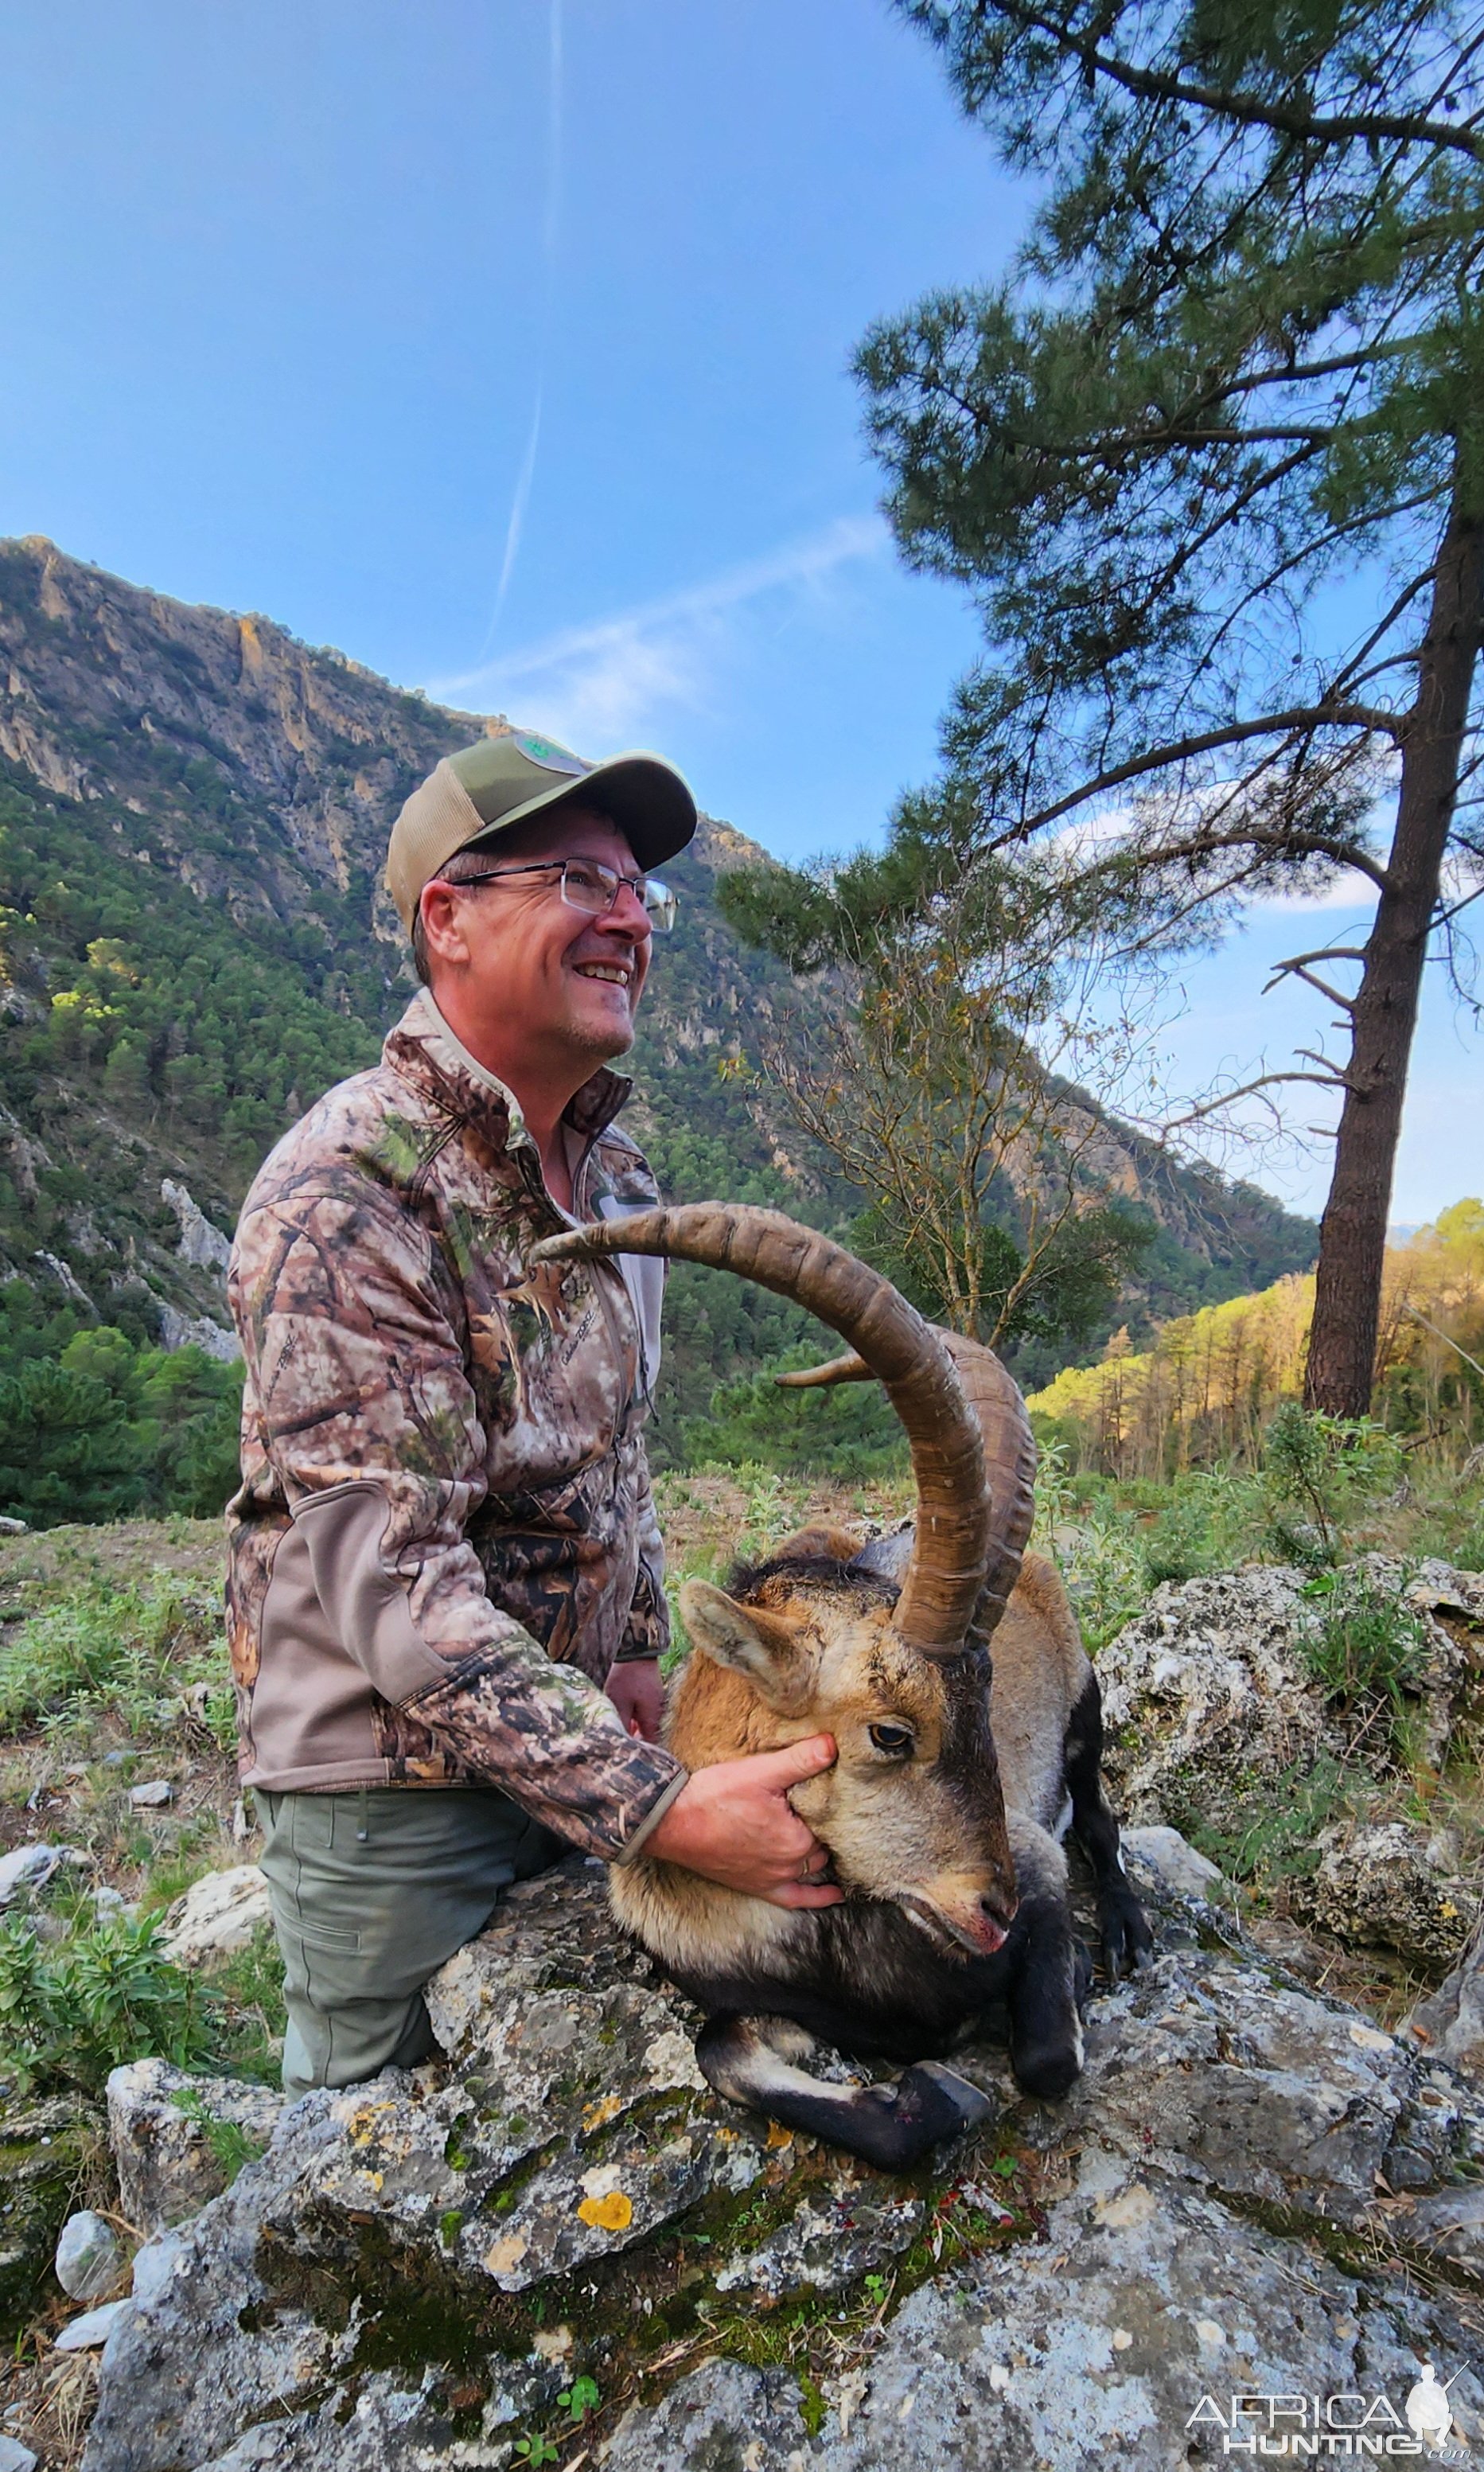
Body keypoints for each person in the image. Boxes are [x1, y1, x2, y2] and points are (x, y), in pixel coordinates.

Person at [226, 727, 841, 2096]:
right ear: (447, 915)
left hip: (585, 1747)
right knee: (366, 2162)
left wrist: (631, 1651)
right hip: (397, 1801)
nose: (628, 916)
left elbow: (616, 1455)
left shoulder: (617, 1181)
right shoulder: (345, 1194)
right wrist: (662, 1807)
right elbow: (394, 1583)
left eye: (641, 893)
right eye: (578, 878)